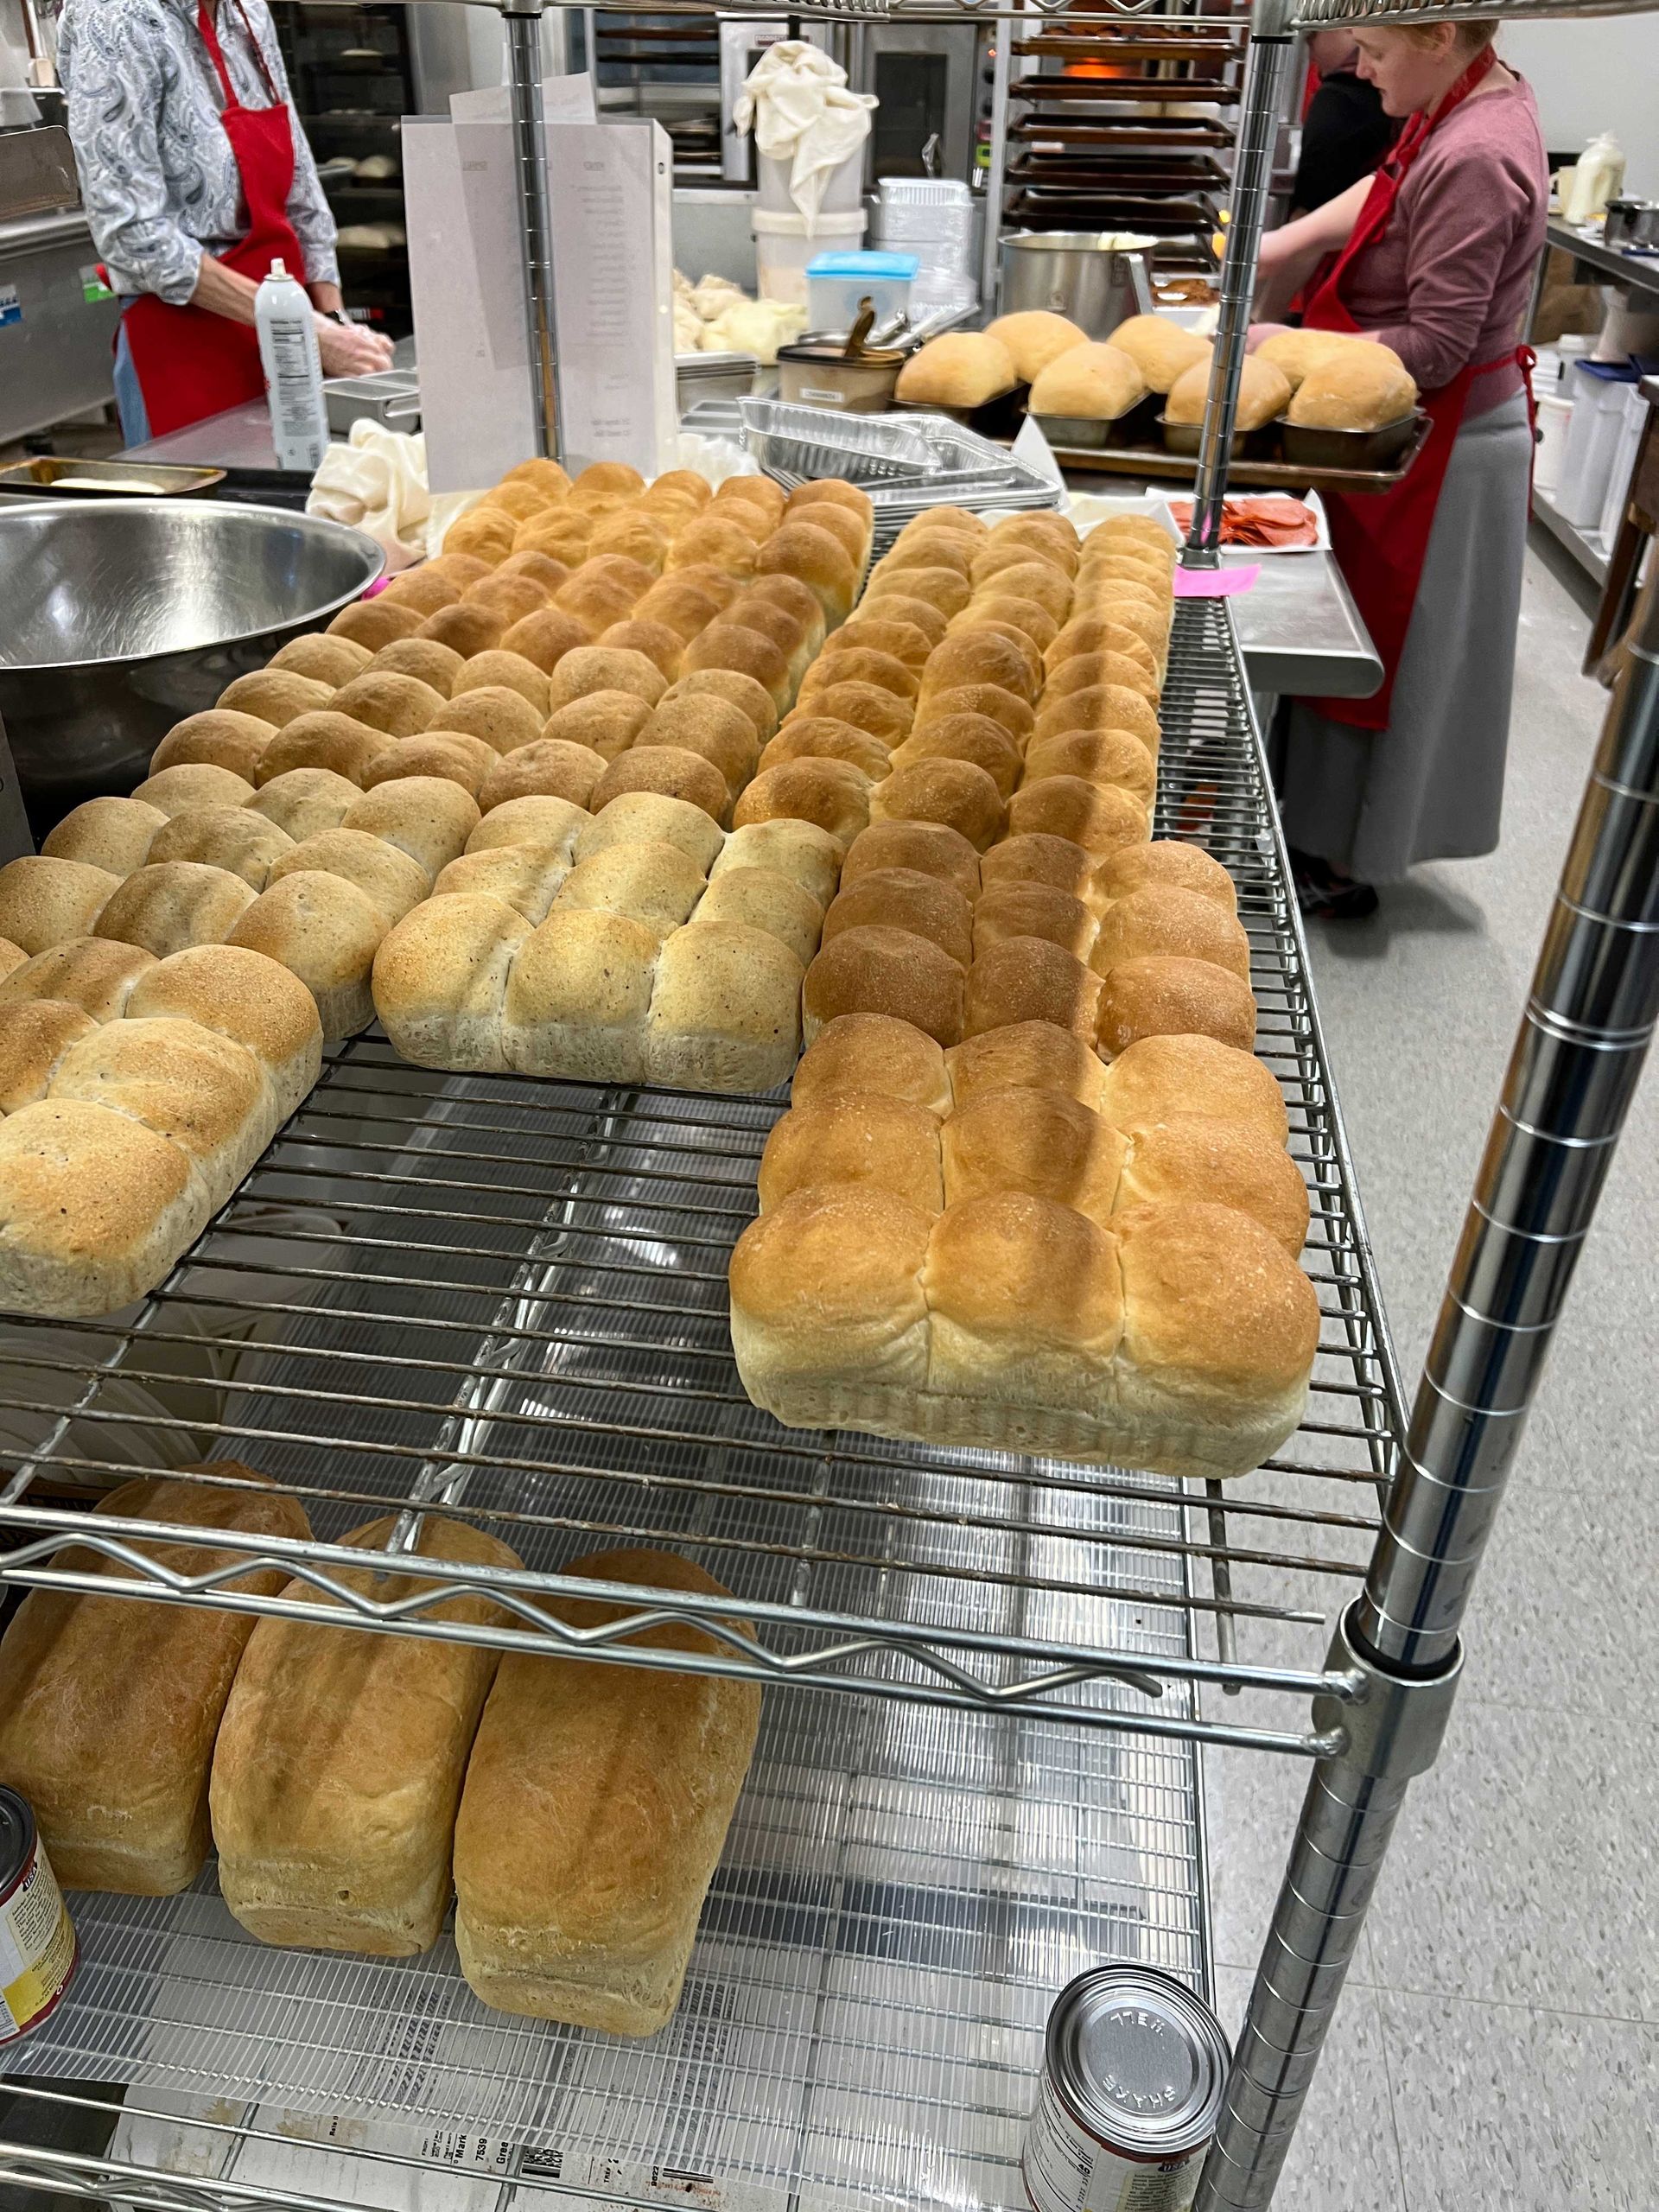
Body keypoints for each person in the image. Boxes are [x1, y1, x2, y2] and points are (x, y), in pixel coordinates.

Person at [1254, 22, 1547, 919]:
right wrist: (1277, 247)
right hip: (1394, 417)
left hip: (1443, 439)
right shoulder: (1458, 95)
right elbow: (1388, 191)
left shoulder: (1479, 154)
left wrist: (1289, 348)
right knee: (1357, 626)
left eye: (1376, 45)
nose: (1358, 63)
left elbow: (1439, 346)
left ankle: (1342, 861)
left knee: (1389, 647)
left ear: (1445, 33)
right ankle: (1310, 825)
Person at [59, 0, 392, 445]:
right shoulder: (112, 18)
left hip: (289, 339)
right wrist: (306, 328)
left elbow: (301, 187)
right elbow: (131, 232)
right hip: (186, 347)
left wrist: (335, 323)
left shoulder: (248, 12)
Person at [1293, 30, 1396, 215]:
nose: (1363, 70)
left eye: (1313, 36)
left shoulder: (1340, 99)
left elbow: (1308, 206)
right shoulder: (1356, 94)